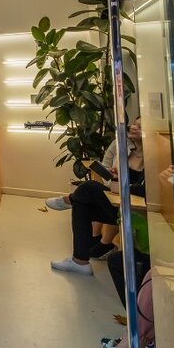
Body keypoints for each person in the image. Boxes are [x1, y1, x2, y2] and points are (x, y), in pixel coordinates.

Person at [46, 117, 145, 275]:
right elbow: (110, 172)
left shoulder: (153, 157)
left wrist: (125, 187)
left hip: (133, 210)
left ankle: (69, 200)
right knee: (81, 205)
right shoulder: (125, 147)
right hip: (115, 200)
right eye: (134, 124)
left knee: (88, 188)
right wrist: (114, 175)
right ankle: (80, 261)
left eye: (139, 127)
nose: (133, 128)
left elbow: (146, 190)